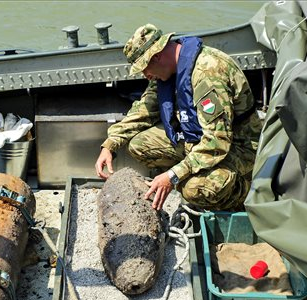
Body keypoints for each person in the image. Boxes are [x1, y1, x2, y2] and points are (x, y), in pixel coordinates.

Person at [95, 24, 262, 211]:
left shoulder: (208, 75)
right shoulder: (167, 72)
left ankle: (244, 191)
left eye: (144, 68)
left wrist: (173, 175)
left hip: (237, 148)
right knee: (139, 146)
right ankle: (189, 174)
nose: (146, 75)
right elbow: (144, 109)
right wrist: (110, 144)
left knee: (194, 190)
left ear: (157, 56)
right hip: (196, 140)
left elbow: (217, 142)